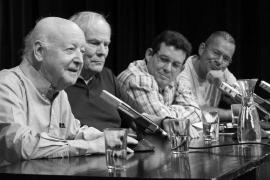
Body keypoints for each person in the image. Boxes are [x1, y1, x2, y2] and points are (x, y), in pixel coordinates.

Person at [0, 17, 137, 164]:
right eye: (71, 49)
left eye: (82, 51)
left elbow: (74, 133)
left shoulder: (59, 92)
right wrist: (90, 146)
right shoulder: (6, 85)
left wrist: (108, 138)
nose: (80, 60)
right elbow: (19, 145)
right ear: (39, 51)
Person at [65, 11, 142, 131]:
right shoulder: (58, 80)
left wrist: (164, 121)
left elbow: (138, 117)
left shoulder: (107, 76)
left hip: (117, 148)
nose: (102, 52)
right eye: (94, 43)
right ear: (73, 43)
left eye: (106, 45)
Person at [117, 30, 202, 137]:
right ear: (149, 55)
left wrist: (170, 113)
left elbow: (197, 113)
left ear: (182, 69)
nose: (168, 68)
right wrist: (178, 113)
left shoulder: (176, 78)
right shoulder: (137, 78)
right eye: (163, 59)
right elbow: (161, 122)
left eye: (176, 65)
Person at [177, 31, 238, 122]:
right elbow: (192, 112)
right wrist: (231, 114)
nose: (220, 61)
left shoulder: (223, 71)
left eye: (226, 58)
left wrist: (224, 87)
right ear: (202, 49)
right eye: (216, 53)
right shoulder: (182, 72)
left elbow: (245, 101)